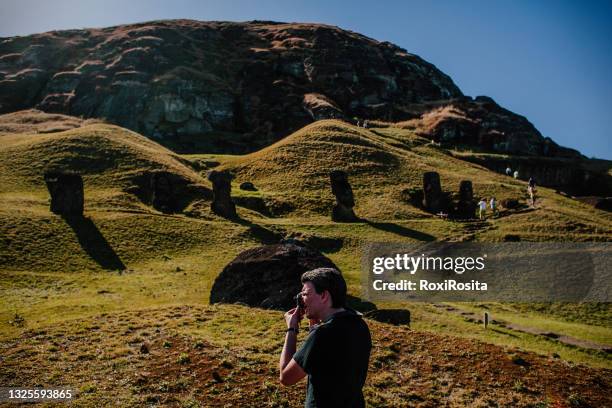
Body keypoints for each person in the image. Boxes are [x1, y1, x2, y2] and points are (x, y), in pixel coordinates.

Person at [279, 268, 372, 407]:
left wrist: (292, 329)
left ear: (324, 296)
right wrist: (315, 325)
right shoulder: (360, 325)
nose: (302, 300)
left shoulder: (322, 334)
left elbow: (286, 377)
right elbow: (329, 362)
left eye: (305, 294)